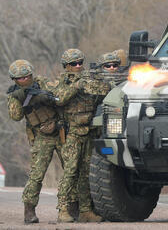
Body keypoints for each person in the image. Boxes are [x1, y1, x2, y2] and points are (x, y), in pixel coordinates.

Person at [54, 49, 110, 223]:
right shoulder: (63, 82)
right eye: (74, 64)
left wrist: (92, 83)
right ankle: (63, 209)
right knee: (70, 172)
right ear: (66, 66)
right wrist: (76, 86)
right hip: (72, 133)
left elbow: (105, 90)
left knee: (86, 173)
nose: (78, 66)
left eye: (80, 63)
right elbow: (59, 99)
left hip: (88, 132)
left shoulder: (88, 79)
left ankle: (86, 210)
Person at [6, 60, 63, 224]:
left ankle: (71, 208)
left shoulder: (43, 83)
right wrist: (21, 97)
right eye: (20, 78)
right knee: (36, 175)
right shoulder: (15, 93)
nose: (24, 80)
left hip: (59, 131)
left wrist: (43, 97)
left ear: (31, 74)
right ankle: (29, 210)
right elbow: (15, 116)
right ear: (14, 80)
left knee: (73, 170)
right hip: (41, 136)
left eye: (26, 77)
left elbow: (59, 97)